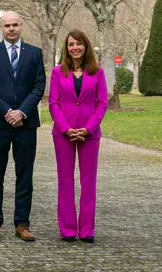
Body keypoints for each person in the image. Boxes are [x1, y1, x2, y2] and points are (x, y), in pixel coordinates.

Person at [0, 11, 45, 242]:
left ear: (22, 26)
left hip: (26, 125)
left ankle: (22, 224)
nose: (11, 29)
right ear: (1, 27)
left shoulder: (35, 53)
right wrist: (8, 111)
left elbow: (39, 86)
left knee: (25, 175)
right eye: (7, 25)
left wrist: (22, 112)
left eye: (15, 25)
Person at [49, 30, 108, 243]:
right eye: (71, 44)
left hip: (89, 135)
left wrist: (89, 128)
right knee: (65, 181)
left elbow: (102, 103)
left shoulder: (98, 72)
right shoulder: (57, 72)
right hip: (63, 134)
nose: (75, 48)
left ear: (86, 46)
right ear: (67, 48)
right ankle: (67, 229)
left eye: (79, 44)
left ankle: (86, 230)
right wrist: (65, 128)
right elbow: (53, 103)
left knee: (88, 181)